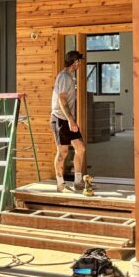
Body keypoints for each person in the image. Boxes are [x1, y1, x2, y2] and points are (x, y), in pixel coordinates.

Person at [51, 50, 86, 192]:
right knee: (63, 152)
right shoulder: (64, 77)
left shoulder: (69, 77)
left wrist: (71, 120)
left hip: (68, 119)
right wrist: (71, 120)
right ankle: (60, 184)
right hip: (60, 119)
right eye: (78, 61)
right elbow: (62, 99)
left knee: (80, 148)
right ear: (74, 62)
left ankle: (78, 182)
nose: (79, 64)